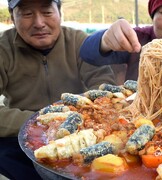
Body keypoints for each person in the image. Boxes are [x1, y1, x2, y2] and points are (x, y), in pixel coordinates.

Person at [0, 0, 116, 179]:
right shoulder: (3, 49)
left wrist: (80, 119)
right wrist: (36, 125)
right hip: (19, 140)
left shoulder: (80, 42)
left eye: (47, 12)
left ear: (59, 12)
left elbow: (105, 87)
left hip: (82, 134)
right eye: (27, 14)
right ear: (12, 17)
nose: (39, 23)